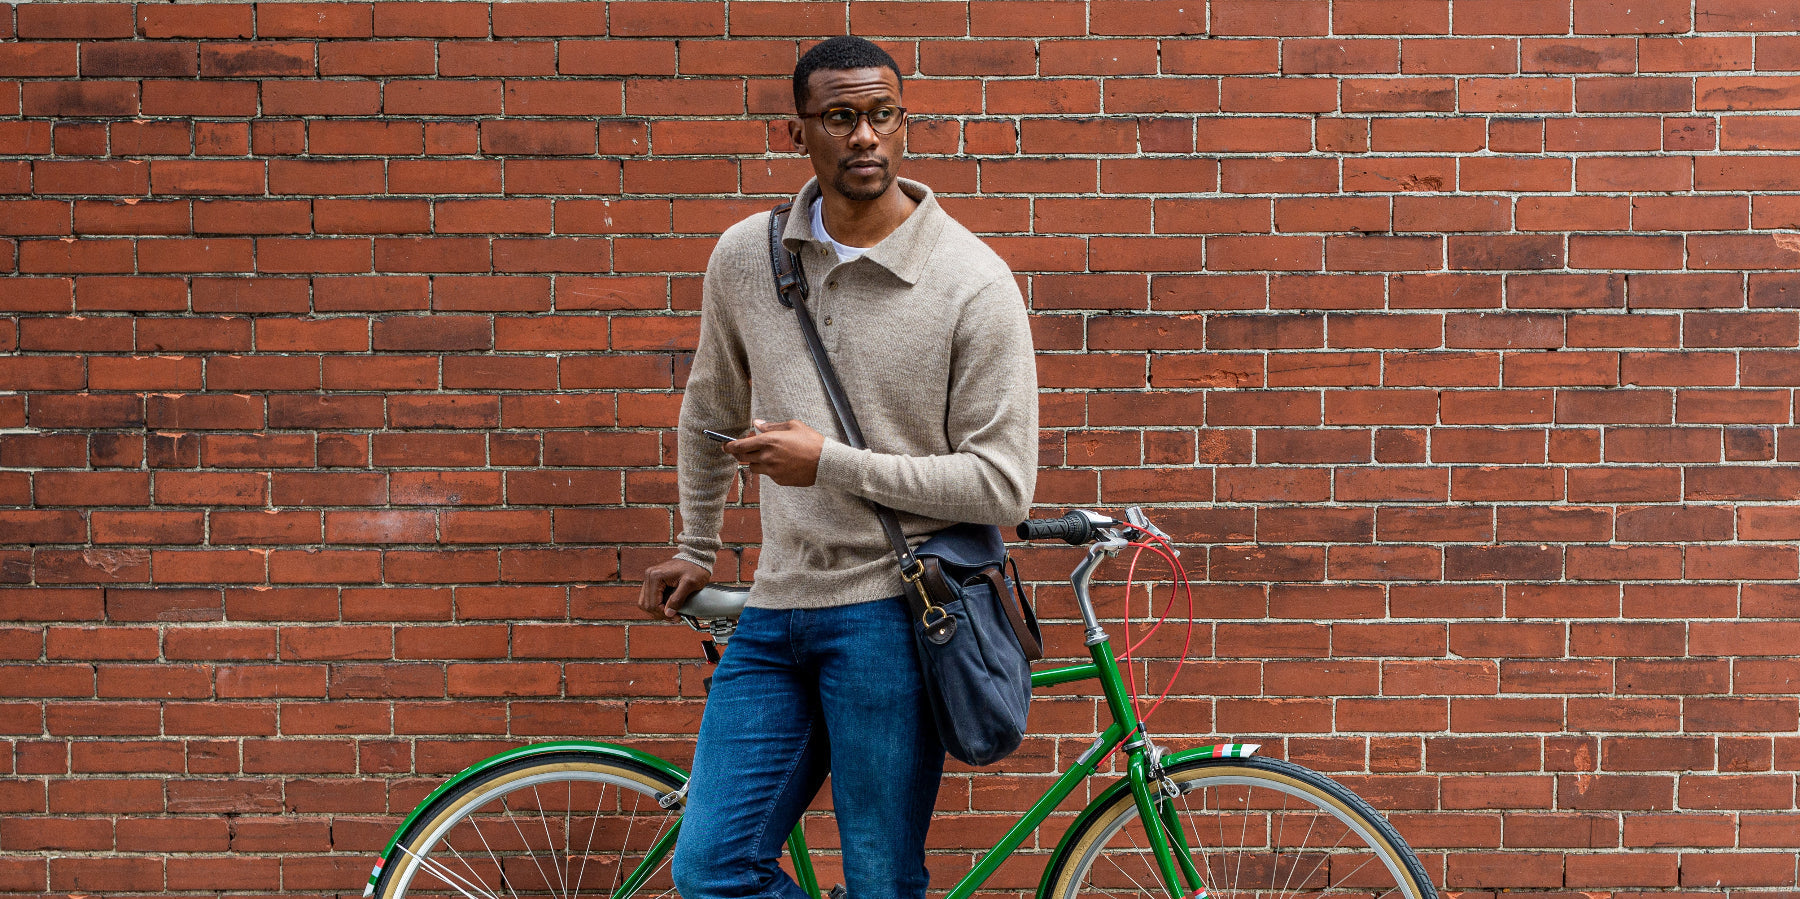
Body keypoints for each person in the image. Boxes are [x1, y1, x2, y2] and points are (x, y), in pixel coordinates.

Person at [635, 35, 1039, 899]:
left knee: (881, 880)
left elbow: (1002, 484)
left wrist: (829, 462)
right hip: (776, 611)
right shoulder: (749, 257)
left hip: (893, 617)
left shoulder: (971, 282)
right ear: (798, 133)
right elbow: (708, 409)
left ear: (906, 123)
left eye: (882, 115)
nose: (865, 137)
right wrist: (697, 544)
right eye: (842, 117)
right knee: (710, 869)